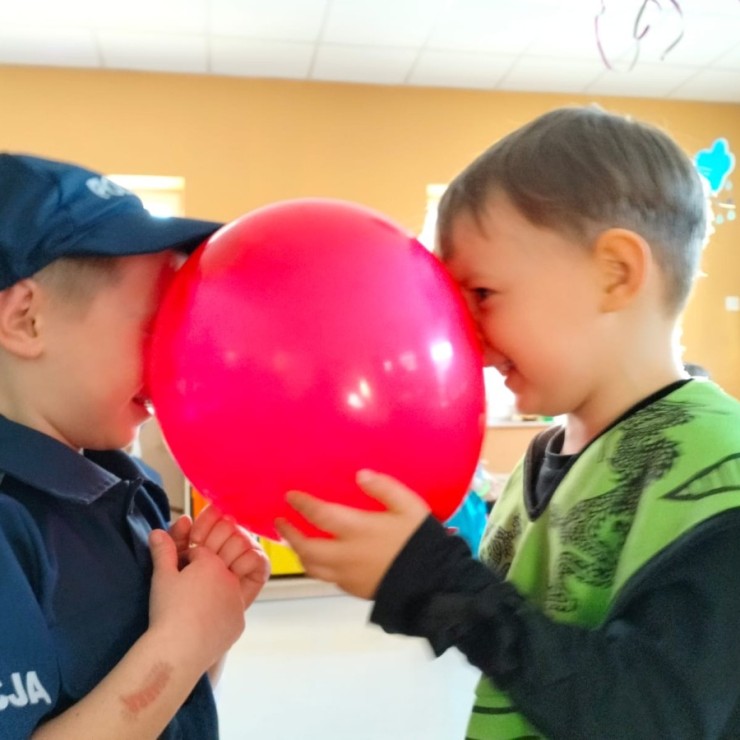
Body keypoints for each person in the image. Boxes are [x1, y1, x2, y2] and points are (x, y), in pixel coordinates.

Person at [277, 106, 740, 739]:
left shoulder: (720, 463)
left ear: (615, 273)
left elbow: (659, 715)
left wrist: (434, 581)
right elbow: (520, 641)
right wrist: (414, 571)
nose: (465, 337)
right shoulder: (545, 455)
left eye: (483, 294)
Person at [0, 153, 270, 739]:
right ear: (26, 320)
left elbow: (168, 709)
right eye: (154, 326)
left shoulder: (135, 485)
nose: (177, 357)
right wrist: (183, 639)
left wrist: (206, 627)